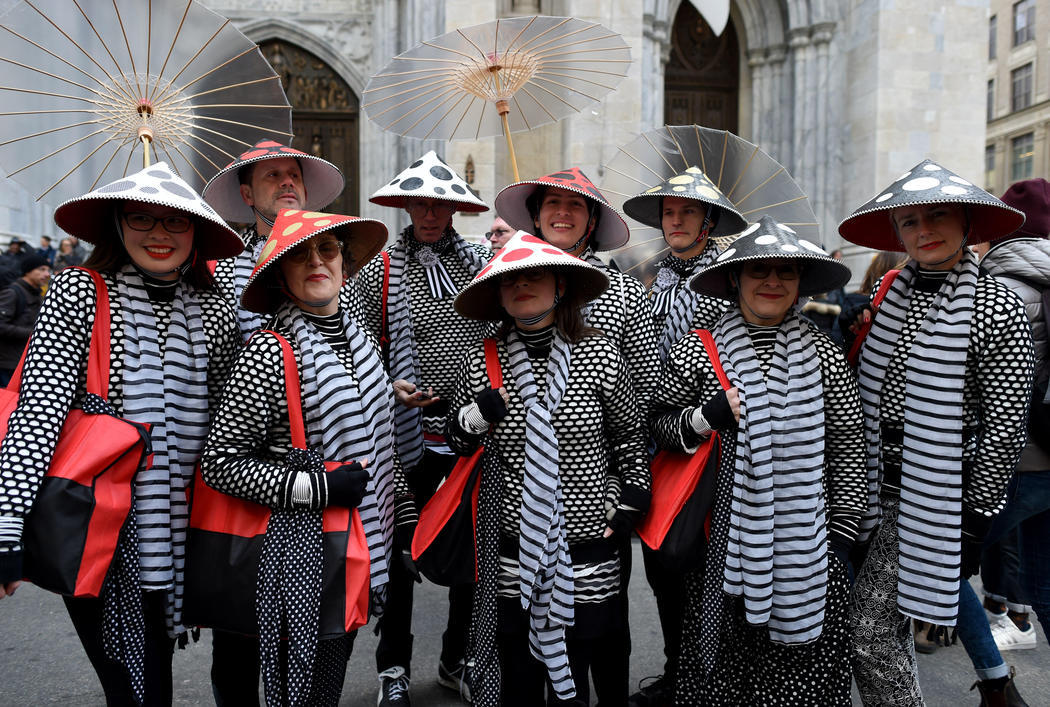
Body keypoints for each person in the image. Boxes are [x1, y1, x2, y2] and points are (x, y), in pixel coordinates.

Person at [0, 163, 242, 705]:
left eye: (175, 223)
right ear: (117, 223)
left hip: (190, 529)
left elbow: (236, 414)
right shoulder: (77, 292)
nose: (159, 234)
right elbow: (37, 415)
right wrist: (6, 528)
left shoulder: (215, 306)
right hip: (103, 530)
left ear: (196, 232)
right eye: (141, 218)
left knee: (152, 672)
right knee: (136, 688)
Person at [201, 208, 415, 706]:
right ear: (280, 272)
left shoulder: (358, 339)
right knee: (303, 689)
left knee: (327, 680)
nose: (317, 261)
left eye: (328, 249)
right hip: (305, 554)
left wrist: (402, 517)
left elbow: (380, 445)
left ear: (345, 263)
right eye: (299, 254)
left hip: (363, 547)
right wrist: (319, 488)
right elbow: (221, 462)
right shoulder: (269, 351)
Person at [840, 160, 1034, 706]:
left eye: (938, 216)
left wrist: (974, 520)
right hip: (868, 487)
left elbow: (1005, 423)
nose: (923, 230)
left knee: (873, 632)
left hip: (935, 496)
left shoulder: (998, 305)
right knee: (882, 628)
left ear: (967, 224)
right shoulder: (886, 290)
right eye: (909, 221)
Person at [650, 216, 864, 705]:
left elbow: (849, 442)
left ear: (800, 284)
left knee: (803, 677)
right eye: (758, 271)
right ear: (734, 280)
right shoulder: (695, 350)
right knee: (724, 676)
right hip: (719, 543)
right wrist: (706, 417)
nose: (772, 282)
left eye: (785, 273)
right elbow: (661, 426)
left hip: (808, 548)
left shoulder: (825, 353)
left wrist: (842, 532)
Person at [447, 231, 650, 707]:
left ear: (561, 285)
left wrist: (631, 495)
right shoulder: (481, 358)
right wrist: (478, 415)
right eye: (509, 279)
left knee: (582, 670)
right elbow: (457, 440)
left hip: (588, 542)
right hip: (512, 546)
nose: (521, 285)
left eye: (534, 275)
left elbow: (628, 435)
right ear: (497, 293)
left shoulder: (600, 354)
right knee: (517, 672)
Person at [495, 168, 660, 701]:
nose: (562, 213)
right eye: (551, 204)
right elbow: (483, 377)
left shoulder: (625, 296)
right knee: (519, 641)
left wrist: (627, 488)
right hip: (522, 494)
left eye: (576, 206)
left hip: (599, 491)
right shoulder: (507, 275)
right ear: (537, 215)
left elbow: (638, 397)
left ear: (591, 221)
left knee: (602, 634)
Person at [356, 150, 491, 706]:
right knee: (400, 553)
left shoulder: (483, 264)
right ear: (406, 205)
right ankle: (393, 667)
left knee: (470, 552)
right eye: (420, 202)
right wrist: (390, 387)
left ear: (455, 206)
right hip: (404, 436)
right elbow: (357, 345)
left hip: (471, 432)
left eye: (439, 202)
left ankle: (456, 656)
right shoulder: (379, 269)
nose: (430, 212)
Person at [619, 166, 746, 706]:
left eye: (687, 211)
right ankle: (678, 672)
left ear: (708, 220)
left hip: (713, 436)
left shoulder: (729, 275)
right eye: (669, 212)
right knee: (662, 560)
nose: (676, 220)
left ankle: (708, 678)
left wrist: (710, 412)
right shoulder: (651, 277)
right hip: (655, 434)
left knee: (703, 565)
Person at [971, 177, 1050, 652]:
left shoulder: (999, 290)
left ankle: (993, 678)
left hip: (1020, 458)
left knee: (945, 562)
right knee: (1045, 588)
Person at [203, 138, 345, 342]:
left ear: (304, 193)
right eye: (273, 175)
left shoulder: (331, 258)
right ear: (247, 194)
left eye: (294, 175)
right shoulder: (221, 268)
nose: (287, 182)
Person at [0, 254, 50, 386]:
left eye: (48, 270)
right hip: (9, 364)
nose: (47, 274)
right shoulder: (13, 293)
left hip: (26, 362)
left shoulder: (37, 294)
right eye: (42, 269)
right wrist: (33, 333)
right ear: (28, 271)